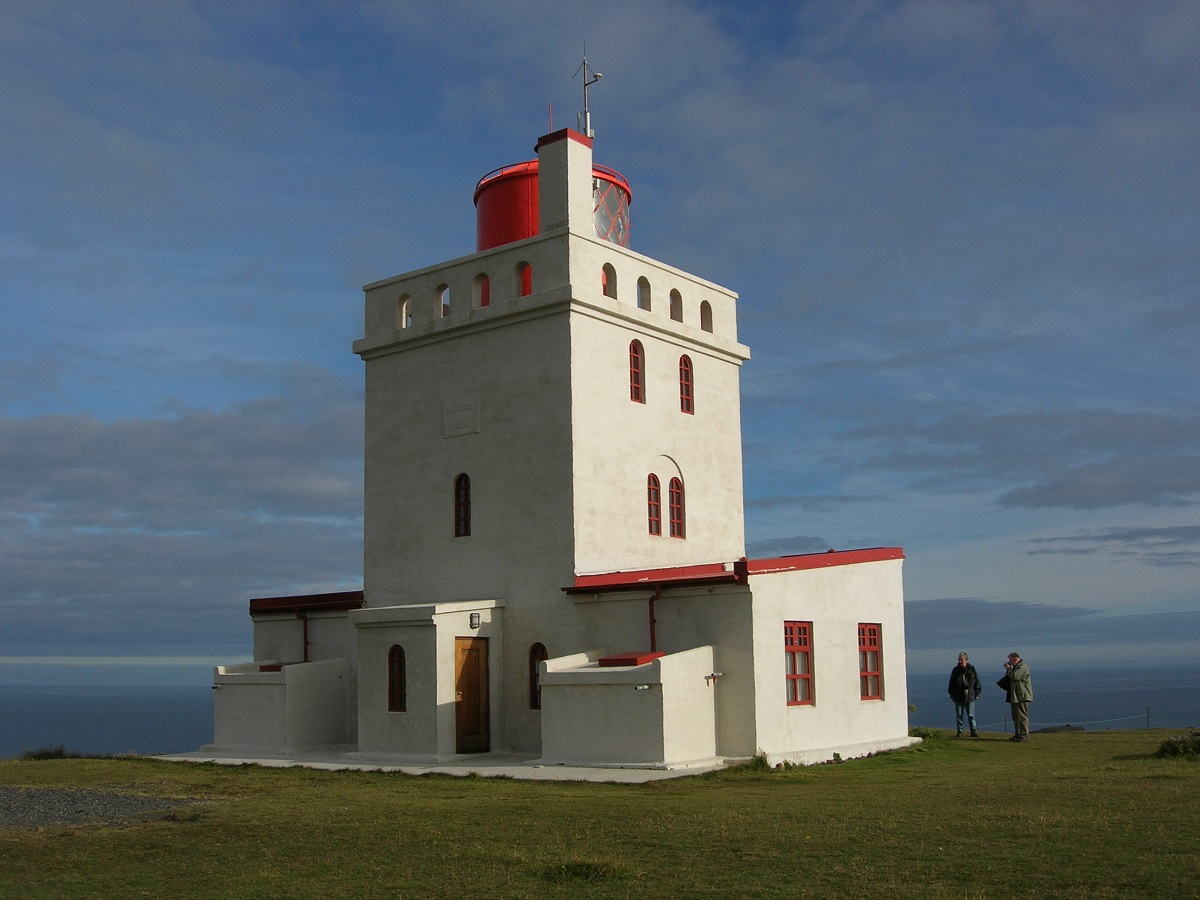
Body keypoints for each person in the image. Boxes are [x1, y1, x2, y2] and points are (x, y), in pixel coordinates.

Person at [1001, 652, 1034, 741]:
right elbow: (1008, 678)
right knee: (1015, 716)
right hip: (1015, 695)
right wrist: (1009, 670)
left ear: (1015, 659)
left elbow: (1015, 677)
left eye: (1010, 660)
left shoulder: (1022, 667)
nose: (1009, 663)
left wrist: (1009, 669)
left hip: (1021, 695)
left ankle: (1024, 734)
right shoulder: (1016, 667)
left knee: (1022, 715)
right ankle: (1018, 733)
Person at [947, 652, 981, 737]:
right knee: (959, 714)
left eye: (961, 659)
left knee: (971, 714)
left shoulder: (971, 668)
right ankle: (960, 731)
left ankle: (973, 730)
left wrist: (977, 693)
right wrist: (952, 694)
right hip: (958, 695)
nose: (960, 661)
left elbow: (977, 681)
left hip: (970, 695)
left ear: (966, 660)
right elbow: (951, 682)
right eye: (959, 659)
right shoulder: (955, 670)